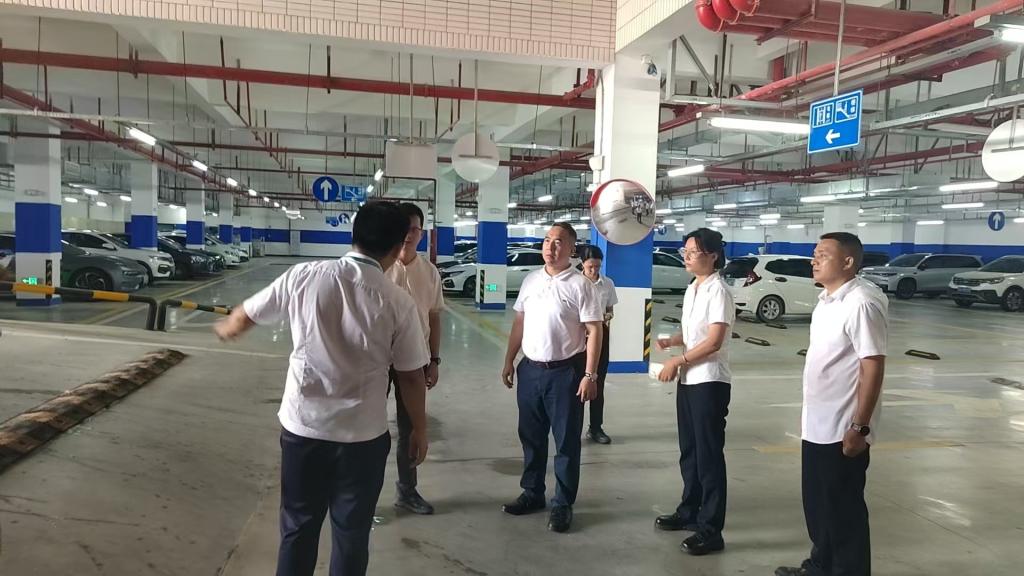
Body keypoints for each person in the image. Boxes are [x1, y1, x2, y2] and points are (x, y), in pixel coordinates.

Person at [213, 202, 430, 576]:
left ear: (353, 236)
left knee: (298, 526)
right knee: (351, 533)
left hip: (304, 431)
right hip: (362, 439)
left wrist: (229, 327)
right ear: (398, 248)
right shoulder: (398, 302)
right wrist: (420, 430)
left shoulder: (304, 275)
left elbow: (246, 315)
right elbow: (411, 375)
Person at [776, 232, 888, 576]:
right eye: (815, 253)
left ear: (848, 262)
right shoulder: (827, 300)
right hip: (817, 423)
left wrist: (859, 426)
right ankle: (820, 565)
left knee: (843, 512)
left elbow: (873, 365)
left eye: (823, 254)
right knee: (819, 505)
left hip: (843, 427)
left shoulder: (861, 302)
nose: (814, 260)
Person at [500, 222, 603, 533]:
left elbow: (595, 330)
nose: (550, 246)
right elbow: (519, 322)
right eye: (547, 240)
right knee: (531, 437)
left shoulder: (581, 285)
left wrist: (590, 375)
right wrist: (509, 359)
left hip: (566, 373)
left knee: (566, 441)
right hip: (530, 370)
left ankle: (562, 503)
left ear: (571, 248)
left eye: (558, 242)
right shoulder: (531, 280)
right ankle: (532, 493)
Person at [655, 228, 734, 556]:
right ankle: (689, 510)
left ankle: (711, 529)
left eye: (693, 251)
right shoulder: (694, 287)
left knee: (709, 456)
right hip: (689, 381)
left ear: (712, 255)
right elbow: (695, 334)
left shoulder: (720, 291)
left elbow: (714, 342)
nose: (686, 256)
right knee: (690, 451)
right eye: (684, 251)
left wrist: (678, 360)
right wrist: (674, 341)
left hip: (710, 382)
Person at [385, 202, 444, 515]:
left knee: (410, 428)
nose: (409, 235)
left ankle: (407, 491)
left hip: (416, 359)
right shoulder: (381, 267)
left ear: (422, 233)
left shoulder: (429, 272)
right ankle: (359, 491)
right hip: (379, 360)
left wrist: (434, 359)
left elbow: (434, 317)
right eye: (404, 228)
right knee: (367, 426)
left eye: (414, 229)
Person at [579, 245, 618, 445]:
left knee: (597, 381)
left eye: (597, 266)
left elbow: (610, 310)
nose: (594, 270)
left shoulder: (607, 283)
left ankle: (595, 428)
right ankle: (572, 427)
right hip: (578, 334)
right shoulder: (575, 282)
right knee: (575, 383)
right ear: (582, 264)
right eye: (590, 267)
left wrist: (605, 316)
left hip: (601, 333)